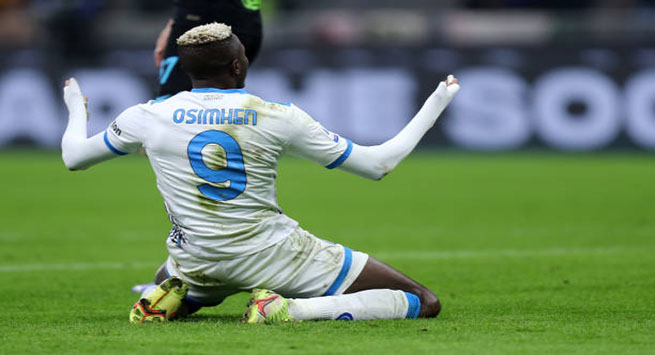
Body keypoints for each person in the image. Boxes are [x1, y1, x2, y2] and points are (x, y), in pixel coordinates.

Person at [61, 23, 460, 324]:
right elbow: (378, 165)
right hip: (272, 255)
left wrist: (77, 108)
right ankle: (288, 310)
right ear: (238, 65)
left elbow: (74, 157)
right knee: (422, 301)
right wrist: (437, 102)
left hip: (195, 259)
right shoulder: (277, 116)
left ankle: (174, 296)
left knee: (176, 271)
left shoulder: (145, 116)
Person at [155, 0, 262, 101]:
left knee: (170, 107)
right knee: (220, 106)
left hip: (203, 19)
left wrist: (178, 19)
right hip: (247, 20)